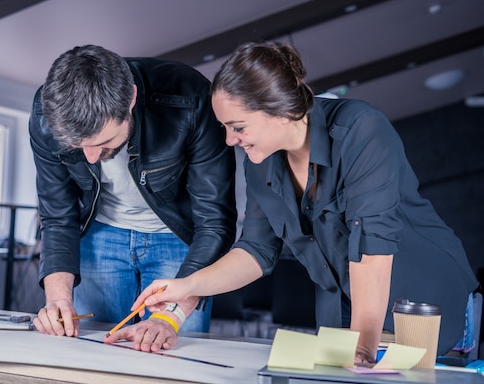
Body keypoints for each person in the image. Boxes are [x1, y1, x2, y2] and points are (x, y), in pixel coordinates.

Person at [117, 42, 479, 361]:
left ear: (282, 111)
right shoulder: (261, 162)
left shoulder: (361, 130)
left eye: (238, 127)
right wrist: (188, 286)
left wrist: (362, 349)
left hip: (422, 309)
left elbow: (372, 249)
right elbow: (256, 250)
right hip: (342, 315)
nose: (229, 140)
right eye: (224, 127)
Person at [28, 45, 237, 348]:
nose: (89, 157)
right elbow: (58, 214)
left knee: (169, 353)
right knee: (92, 353)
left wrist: (169, 318)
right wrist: (57, 299)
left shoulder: (190, 98)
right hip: (99, 235)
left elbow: (215, 221)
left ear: (132, 99)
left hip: (178, 239)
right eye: (77, 145)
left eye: (103, 142)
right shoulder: (45, 113)